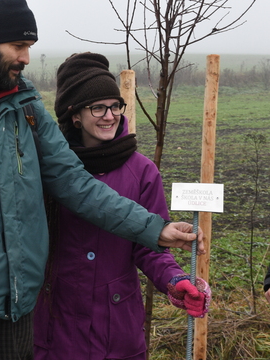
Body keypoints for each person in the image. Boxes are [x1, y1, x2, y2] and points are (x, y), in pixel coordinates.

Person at [0, 1, 204, 359]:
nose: (26, 58)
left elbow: (76, 183)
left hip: (16, 310)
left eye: (29, 48)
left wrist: (155, 229)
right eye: (18, 47)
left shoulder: (27, 110)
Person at [33, 52, 211, 360]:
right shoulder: (48, 170)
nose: (110, 115)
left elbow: (149, 247)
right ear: (74, 114)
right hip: (54, 326)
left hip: (115, 329)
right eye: (98, 107)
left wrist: (175, 280)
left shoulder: (142, 171)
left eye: (115, 106)